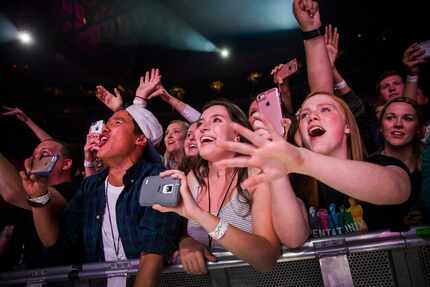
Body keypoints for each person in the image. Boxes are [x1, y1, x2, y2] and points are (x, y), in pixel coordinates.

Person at [216, 0, 411, 239]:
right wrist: (278, 174)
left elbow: (396, 189)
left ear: (349, 125)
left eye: (326, 111)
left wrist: (312, 33)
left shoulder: (377, 161)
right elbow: (293, 238)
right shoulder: (299, 182)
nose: (312, 116)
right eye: (304, 114)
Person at [20, 105, 184, 287]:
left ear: (140, 139)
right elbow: (54, 242)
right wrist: (38, 196)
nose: (104, 128)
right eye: (106, 123)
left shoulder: (160, 178)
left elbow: (153, 255)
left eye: (117, 122)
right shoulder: (91, 186)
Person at [154, 100, 280, 275]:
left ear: (237, 134)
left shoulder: (257, 175)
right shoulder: (193, 177)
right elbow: (183, 231)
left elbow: (266, 259)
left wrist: (199, 215)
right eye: (200, 123)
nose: (203, 128)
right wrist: (187, 243)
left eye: (216, 120)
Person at [0, 139, 78, 268]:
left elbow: (13, 192)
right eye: (33, 155)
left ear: (66, 164)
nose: (35, 159)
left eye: (44, 154)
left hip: (56, 277)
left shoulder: (73, 190)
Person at [379, 97, 426, 225]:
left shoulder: (426, 166)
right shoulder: (367, 167)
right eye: (390, 118)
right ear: (381, 127)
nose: (398, 124)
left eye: (408, 118)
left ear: (418, 129)